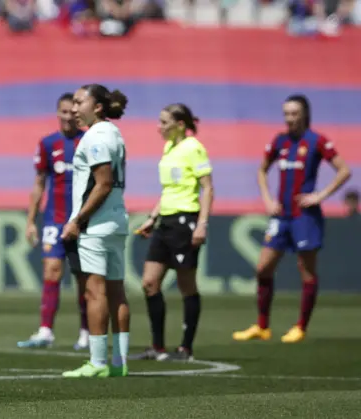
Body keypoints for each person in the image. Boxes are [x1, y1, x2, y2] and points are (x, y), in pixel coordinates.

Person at [233, 94, 351, 344]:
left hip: (305, 216)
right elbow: (262, 169)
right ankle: (262, 326)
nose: (289, 118)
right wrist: (267, 199)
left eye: (294, 114)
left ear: (304, 115)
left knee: (306, 271)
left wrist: (320, 195)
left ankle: (300, 327)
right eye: (286, 113)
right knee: (263, 267)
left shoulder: (317, 141)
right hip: (281, 216)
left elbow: (344, 170)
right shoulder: (280, 140)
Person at [130, 104, 214, 362]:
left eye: (164, 122)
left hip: (184, 222)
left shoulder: (194, 148)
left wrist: (202, 223)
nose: (159, 127)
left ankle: (185, 349)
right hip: (165, 221)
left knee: (186, 286)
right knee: (149, 283)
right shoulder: (169, 148)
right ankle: (158, 347)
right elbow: (168, 190)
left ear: (179, 125)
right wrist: (152, 218)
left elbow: (208, 188)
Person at [60, 84, 130, 378]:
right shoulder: (114, 133)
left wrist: (77, 220)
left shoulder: (96, 137)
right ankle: (120, 363)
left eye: (79, 102)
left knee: (95, 291)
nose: (74, 109)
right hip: (116, 221)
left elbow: (102, 183)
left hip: (96, 225)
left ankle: (98, 362)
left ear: (97, 106)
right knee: (116, 291)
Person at [18, 93, 89, 350]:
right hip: (54, 220)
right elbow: (38, 185)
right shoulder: (48, 143)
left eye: (72, 112)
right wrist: (31, 221)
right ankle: (46, 331)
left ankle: (86, 332)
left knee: (83, 278)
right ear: (57, 112)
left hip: (83, 221)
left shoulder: (88, 141)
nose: (68, 116)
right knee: (51, 271)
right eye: (64, 111)